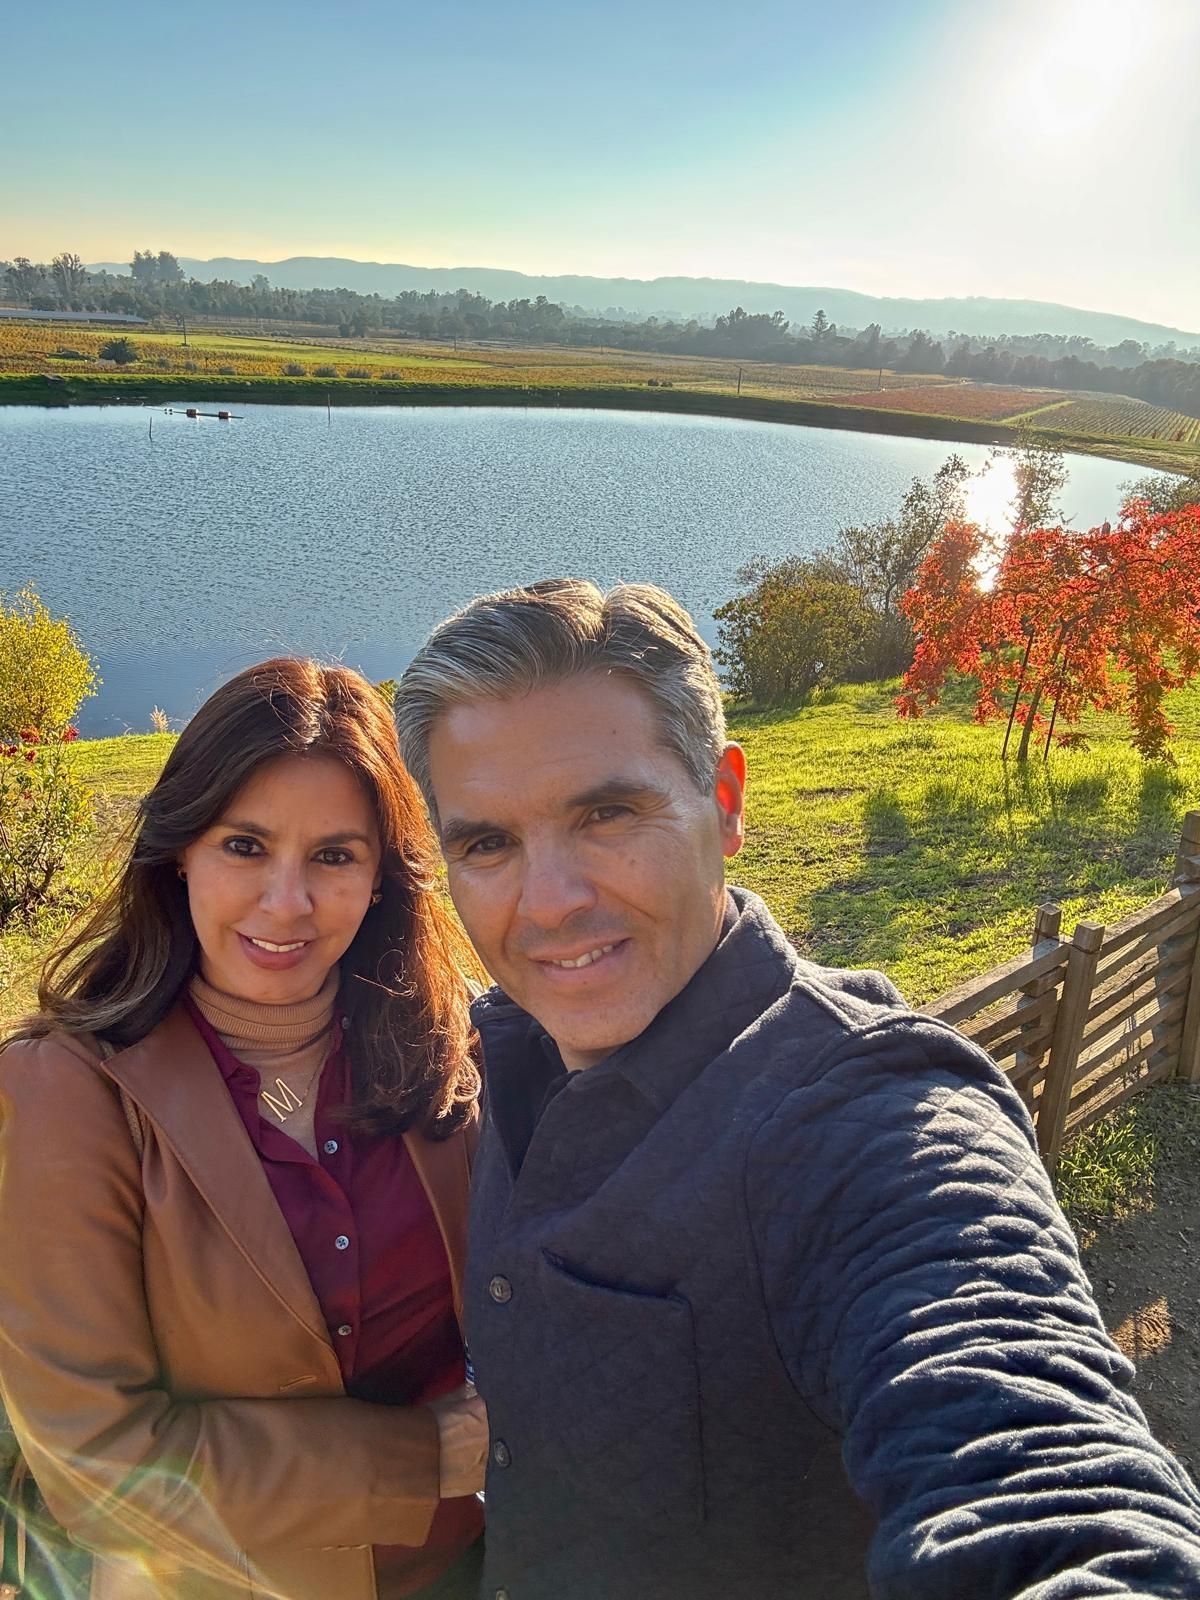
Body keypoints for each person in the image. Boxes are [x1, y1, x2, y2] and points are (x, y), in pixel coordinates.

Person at [394, 579, 1200, 1600]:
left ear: (724, 803)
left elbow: (1035, 1465)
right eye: (487, 843)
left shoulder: (869, 1119)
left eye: (606, 813)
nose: (549, 902)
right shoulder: (497, 1048)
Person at [0, 658, 489, 1600]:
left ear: (384, 876)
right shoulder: (65, 1091)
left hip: (476, 1571)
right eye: (245, 847)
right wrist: (421, 1455)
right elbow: (97, 1462)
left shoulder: (448, 1046)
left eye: (335, 857)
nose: (286, 903)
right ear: (180, 850)